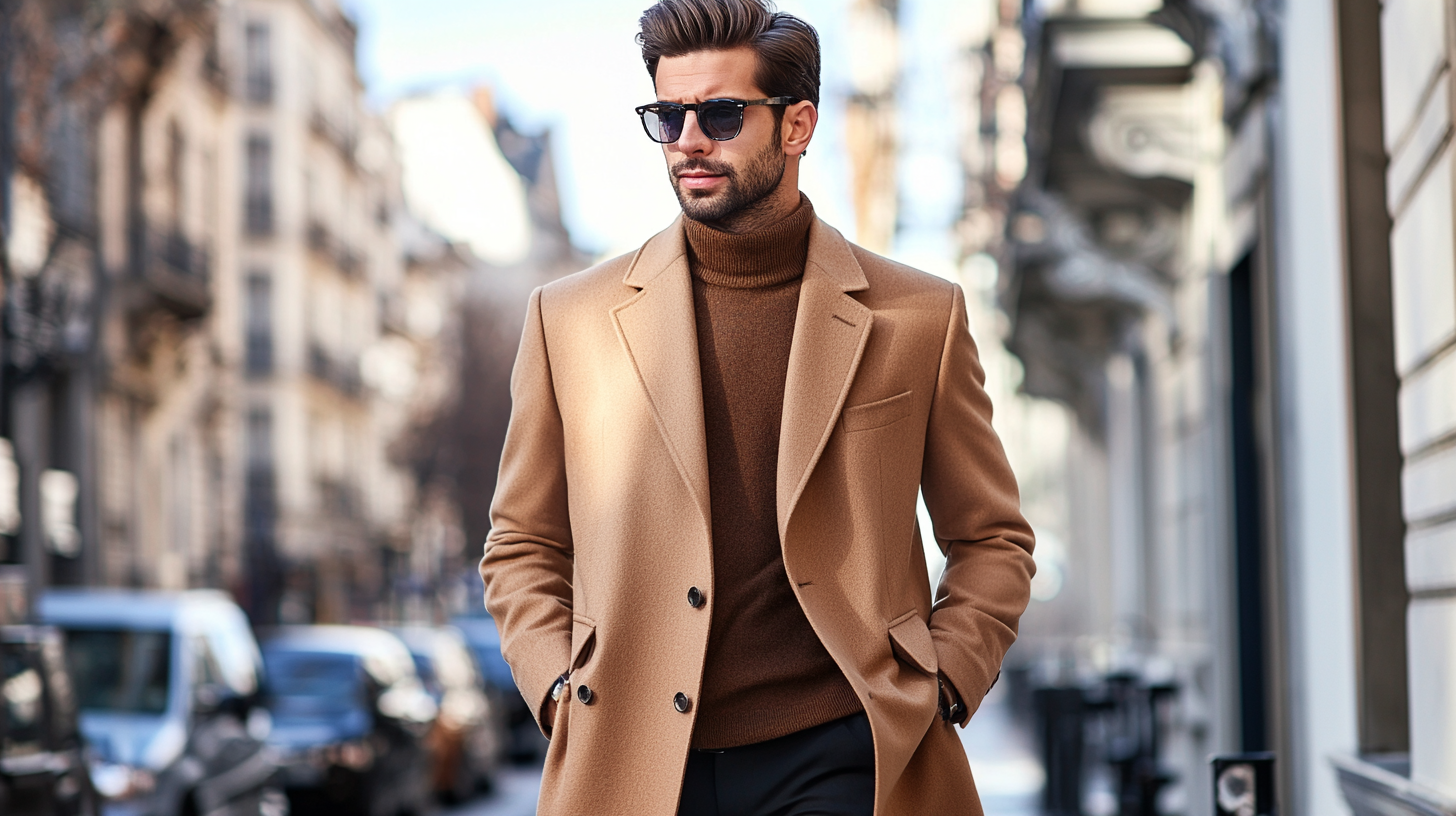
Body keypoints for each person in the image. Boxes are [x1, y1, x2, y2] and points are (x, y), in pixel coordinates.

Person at [478, 0, 1035, 813]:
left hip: (843, 749)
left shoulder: (918, 316)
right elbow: (522, 541)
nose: (690, 140)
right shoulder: (569, 320)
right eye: (668, 117)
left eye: (722, 114)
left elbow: (992, 538)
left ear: (797, 125)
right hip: (634, 761)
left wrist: (944, 681)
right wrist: (558, 685)